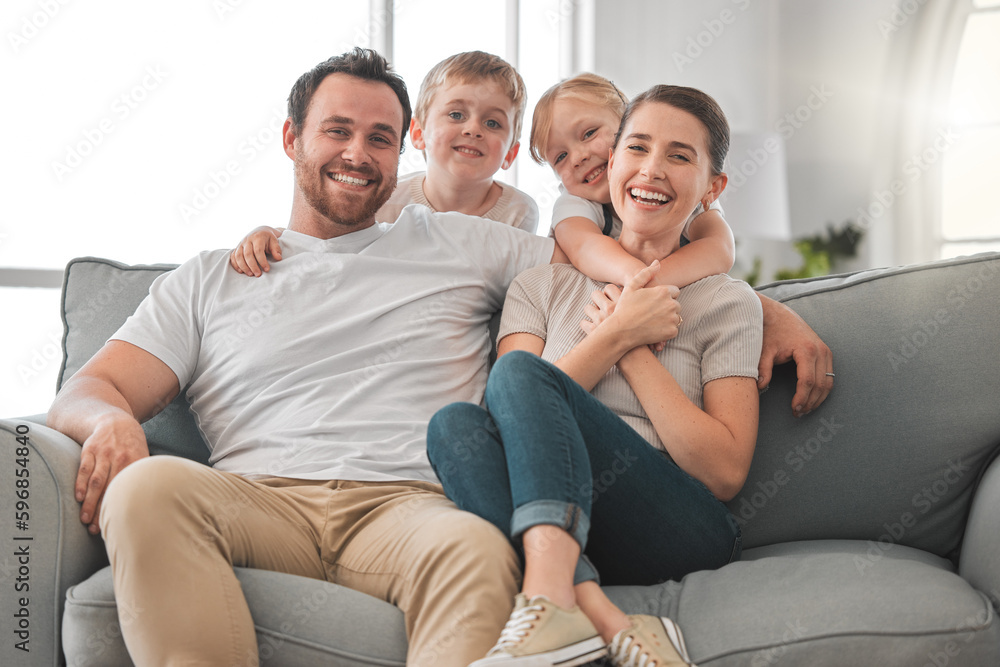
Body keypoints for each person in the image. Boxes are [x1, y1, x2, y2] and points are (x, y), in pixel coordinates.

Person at [47, 48, 563, 667]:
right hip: (258, 501)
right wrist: (110, 421)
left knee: (475, 548)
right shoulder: (213, 277)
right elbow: (91, 386)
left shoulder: (466, 241)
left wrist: (701, 230)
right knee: (146, 488)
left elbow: (610, 262)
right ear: (293, 138)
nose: (357, 154)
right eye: (337, 131)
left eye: (380, 138)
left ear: (402, 152)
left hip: (407, 507)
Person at [425, 85, 771, 667]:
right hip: (565, 514)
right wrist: (614, 333)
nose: (652, 169)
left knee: (520, 373)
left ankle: (550, 605)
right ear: (613, 164)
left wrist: (631, 346)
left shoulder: (728, 302)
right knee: (454, 425)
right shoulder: (540, 285)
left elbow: (725, 472)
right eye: (637, 147)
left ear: (713, 189)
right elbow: (506, 425)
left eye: (680, 156)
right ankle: (593, 613)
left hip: (673, 522)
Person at [231, 50, 537, 277]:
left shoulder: (518, 211)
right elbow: (328, 236)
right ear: (417, 133)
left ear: (511, 153)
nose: (473, 129)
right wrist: (269, 232)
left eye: (493, 123)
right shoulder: (387, 197)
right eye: (456, 114)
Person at [529, 73, 735, 291]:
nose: (578, 157)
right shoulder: (574, 203)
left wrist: (647, 284)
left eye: (589, 134)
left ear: (627, 124)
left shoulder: (689, 191)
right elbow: (584, 247)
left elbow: (719, 248)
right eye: (560, 157)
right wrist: (634, 278)